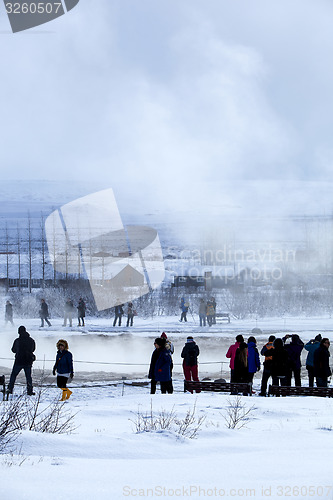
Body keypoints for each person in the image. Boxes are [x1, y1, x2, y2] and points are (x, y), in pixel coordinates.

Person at [7, 325, 36, 396]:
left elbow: (13, 350)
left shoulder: (17, 340)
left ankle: (10, 389)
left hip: (19, 361)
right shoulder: (31, 340)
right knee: (28, 376)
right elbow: (33, 349)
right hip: (28, 361)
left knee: (13, 375)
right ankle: (29, 390)